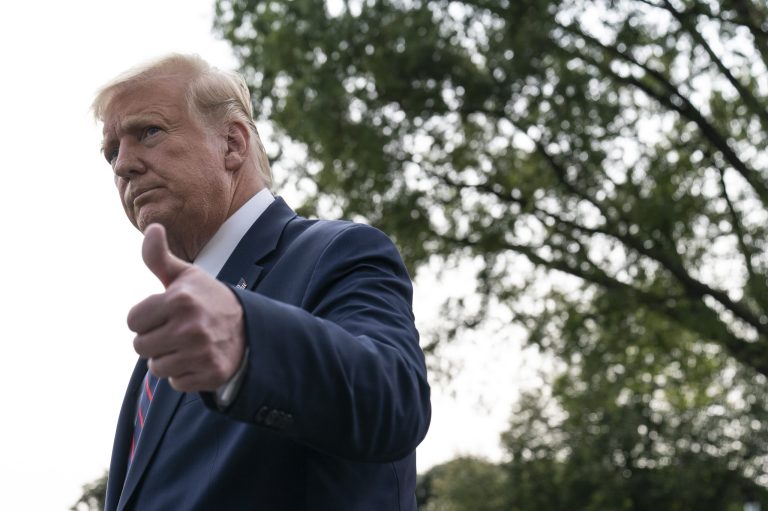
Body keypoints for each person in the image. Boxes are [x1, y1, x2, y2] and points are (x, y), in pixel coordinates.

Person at [92, 53, 431, 511]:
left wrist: (247, 344)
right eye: (112, 152)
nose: (123, 165)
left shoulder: (339, 251)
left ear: (232, 144)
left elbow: (395, 401)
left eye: (148, 131)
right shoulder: (167, 345)